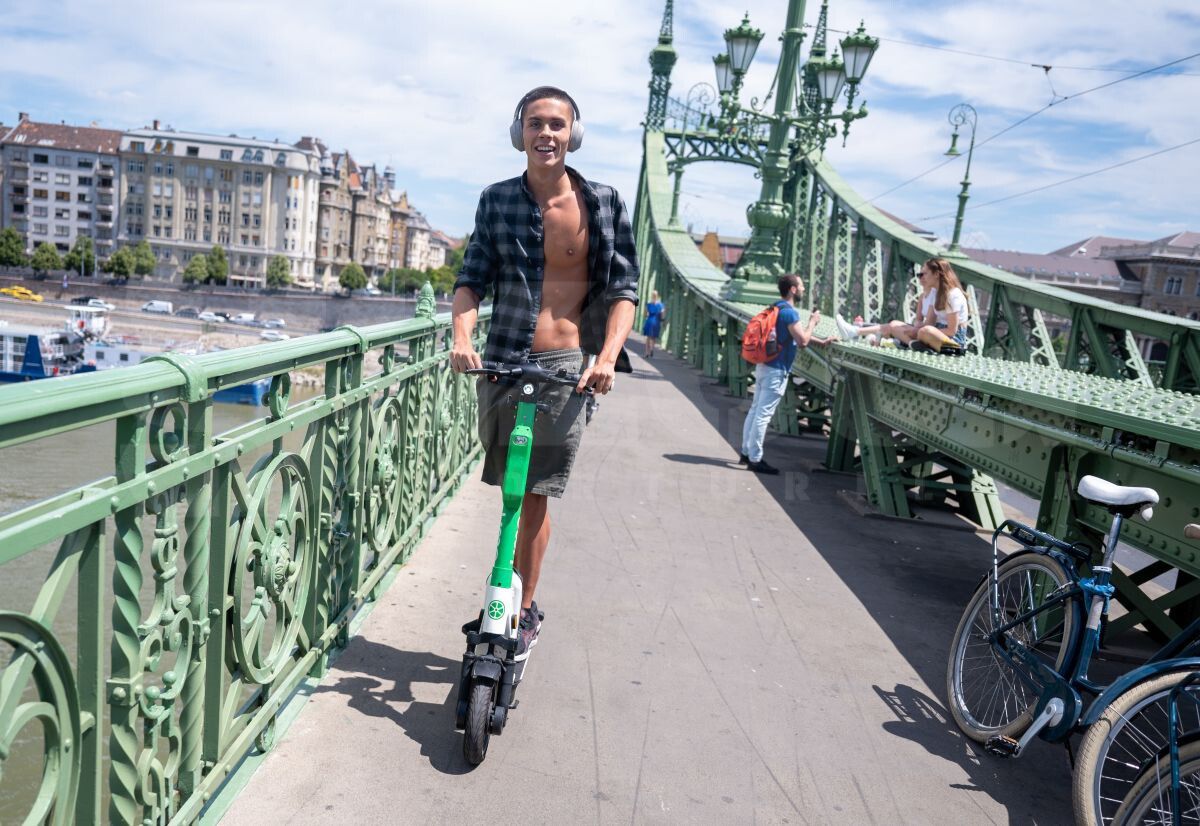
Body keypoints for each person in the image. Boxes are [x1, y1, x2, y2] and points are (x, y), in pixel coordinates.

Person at [450, 86, 638, 660]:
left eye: (557, 124)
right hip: (502, 360)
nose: (546, 134)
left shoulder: (602, 202)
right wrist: (461, 337)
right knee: (512, 491)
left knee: (534, 495)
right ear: (520, 133)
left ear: (573, 133)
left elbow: (624, 289)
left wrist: (606, 358)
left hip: (564, 367)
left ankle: (521, 609)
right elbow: (471, 278)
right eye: (535, 124)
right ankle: (510, 597)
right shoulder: (496, 199)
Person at [739, 274, 836, 475]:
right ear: (792, 289)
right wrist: (813, 322)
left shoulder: (775, 308)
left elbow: (792, 335)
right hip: (777, 370)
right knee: (763, 415)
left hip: (764, 365)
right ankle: (755, 459)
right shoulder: (790, 313)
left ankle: (746, 452)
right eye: (801, 286)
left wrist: (821, 341)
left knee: (755, 410)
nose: (803, 289)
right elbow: (802, 341)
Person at [834, 257, 967, 353]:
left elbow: (951, 331)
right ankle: (914, 344)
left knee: (924, 331)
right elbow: (930, 322)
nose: (921, 277)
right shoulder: (934, 293)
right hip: (934, 334)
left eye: (925, 273)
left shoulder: (953, 295)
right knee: (894, 325)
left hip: (953, 342)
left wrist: (919, 331)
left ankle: (911, 342)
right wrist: (916, 330)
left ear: (937, 274)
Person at [641, 290, 665, 358]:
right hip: (656, 322)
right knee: (653, 337)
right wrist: (662, 320)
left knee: (648, 337)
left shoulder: (649, 304)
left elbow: (645, 314)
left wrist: (647, 316)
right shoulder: (661, 305)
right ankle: (651, 348)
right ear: (658, 296)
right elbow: (662, 314)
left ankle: (646, 352)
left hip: (649, 321)